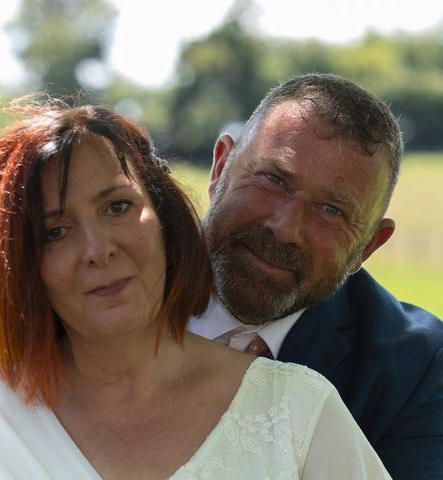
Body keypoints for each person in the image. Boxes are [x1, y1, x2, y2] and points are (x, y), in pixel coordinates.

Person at [0, 97, 390, 479]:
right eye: (55, 231)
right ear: (20, 264)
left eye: (117, 207)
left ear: (163, 214)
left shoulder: (300, 410)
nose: (98, 248)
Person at [189, 72, 443, 479]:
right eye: (273, 179)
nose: (286, 228)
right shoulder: (104, 284)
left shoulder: (417, 367)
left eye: (332, 211)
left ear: (368, 247)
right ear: (221, 167)